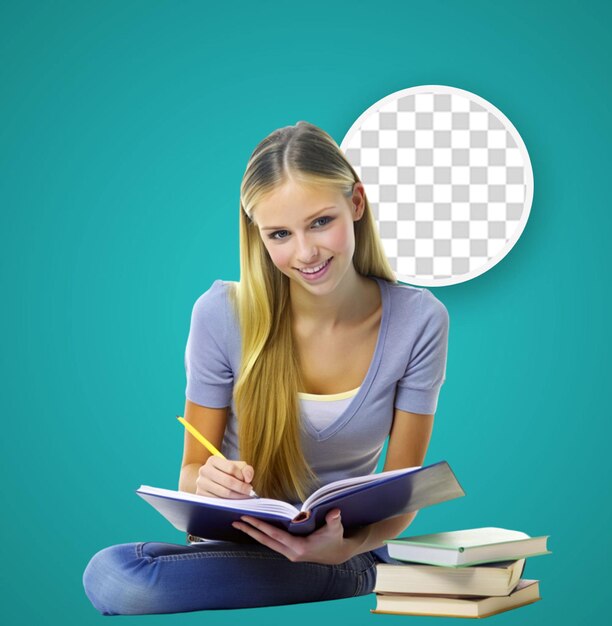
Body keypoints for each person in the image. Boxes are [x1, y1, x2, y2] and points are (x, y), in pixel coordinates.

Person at [82, 121, 449, 615]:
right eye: (280, 233)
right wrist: (205, 481)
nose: (306, 253)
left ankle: (343, 574)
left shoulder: (419, 320)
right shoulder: (220, 315)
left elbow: (404, 492)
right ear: (258, 235)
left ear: (356, 204)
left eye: (321, 222)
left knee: (127, 582)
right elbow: (190, 473)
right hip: (232, 550)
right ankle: (320, 577)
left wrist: (344, 548)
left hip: (345, 552)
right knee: (116, 576)